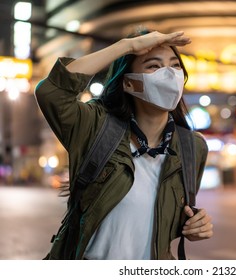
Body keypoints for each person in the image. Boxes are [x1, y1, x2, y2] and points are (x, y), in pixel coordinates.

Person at [35, 29, 213, 260]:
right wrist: (127, 46)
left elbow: (164, 217)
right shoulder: (95, 127)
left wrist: (195, 225)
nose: (169, 74)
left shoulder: (193, 147)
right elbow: (52, 92)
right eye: (153, 66)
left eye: (175, 65)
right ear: (129, 84)